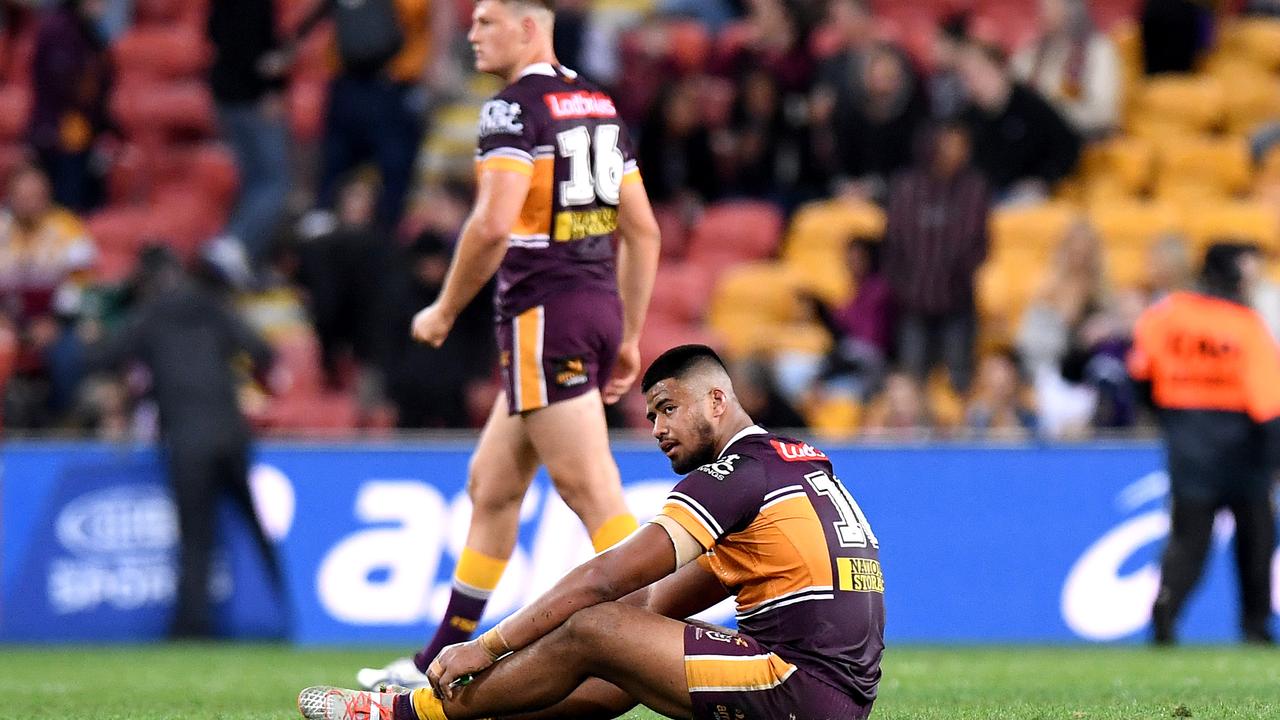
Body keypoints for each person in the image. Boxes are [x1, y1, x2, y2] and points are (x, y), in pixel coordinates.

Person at [298, 344, 885, 720]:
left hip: (799, 687)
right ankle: (459, 716)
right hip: (835, 692)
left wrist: (487, 645)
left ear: (716, 399)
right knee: (623, 639)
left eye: (667, 408)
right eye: (651, 414)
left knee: (596, 625)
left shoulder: (732, 474)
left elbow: (603, 579)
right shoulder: (792, 460)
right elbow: (652, 604)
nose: (656, 428)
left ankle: (404, 716)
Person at [356, 0, 662, 689]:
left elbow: (494, 225)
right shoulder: (597, 103)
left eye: (485, 21)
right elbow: (643, 232)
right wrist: (631, 333)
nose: (469, 33)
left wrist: (442, 308)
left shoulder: (511, 108)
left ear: (529, 27)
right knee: (491, 487)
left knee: (592, 493)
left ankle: (675, 646)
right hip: (592, 306)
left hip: (543, 315)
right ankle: (438, 658)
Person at [87, 245, 285, 638]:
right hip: (231, 432)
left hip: (187, 439)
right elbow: (262, 351)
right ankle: (299, 613)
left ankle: (192, 627)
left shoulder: (151, 314)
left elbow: (102, 357)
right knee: (260, 529)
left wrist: (91, 336)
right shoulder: (210, 306)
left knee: (197, 536)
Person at [1128, 243, 1280, 645]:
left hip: (1188, 441)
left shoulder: (1168, 315)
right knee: (1256, 539)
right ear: (1233, 275)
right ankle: (1255, 626)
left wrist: (1170, 418)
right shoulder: (1246, 325)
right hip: (1243, 447)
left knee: (1188, 539)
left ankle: (1166, 608)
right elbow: (1269, 403)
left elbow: (1140, 375)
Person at [882, 122, 989, 395]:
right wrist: (904, 287)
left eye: (961, 146)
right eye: (950, 145)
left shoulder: (974, 189)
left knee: (959, 382)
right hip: (912, 305)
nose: (956, 152)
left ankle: (960, 435)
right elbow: (894, 244)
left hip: (958, 305)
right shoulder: (906, 188)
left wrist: (959, 280)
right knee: (911, 381)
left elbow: (979, 245)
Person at [958, 40, 1082, 201]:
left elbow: (1067, 147)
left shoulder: (1030, 106)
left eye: (979, 72)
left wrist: (1043, 179)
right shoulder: (967, 118)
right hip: (987, 193)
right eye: (967, 77)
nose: (974, 82)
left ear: (1000, 69)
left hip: (1028, 192)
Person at [1012, 0, 1120, 139]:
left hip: (1086, 141)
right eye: (1041, 7)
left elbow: (1102, 114)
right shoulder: (1034, 54)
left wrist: (1051, 109)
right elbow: (1014, 86)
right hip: (1040, 140)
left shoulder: (1098, 50)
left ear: (1072, 9)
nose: (1043, 14)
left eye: (1051, 7)